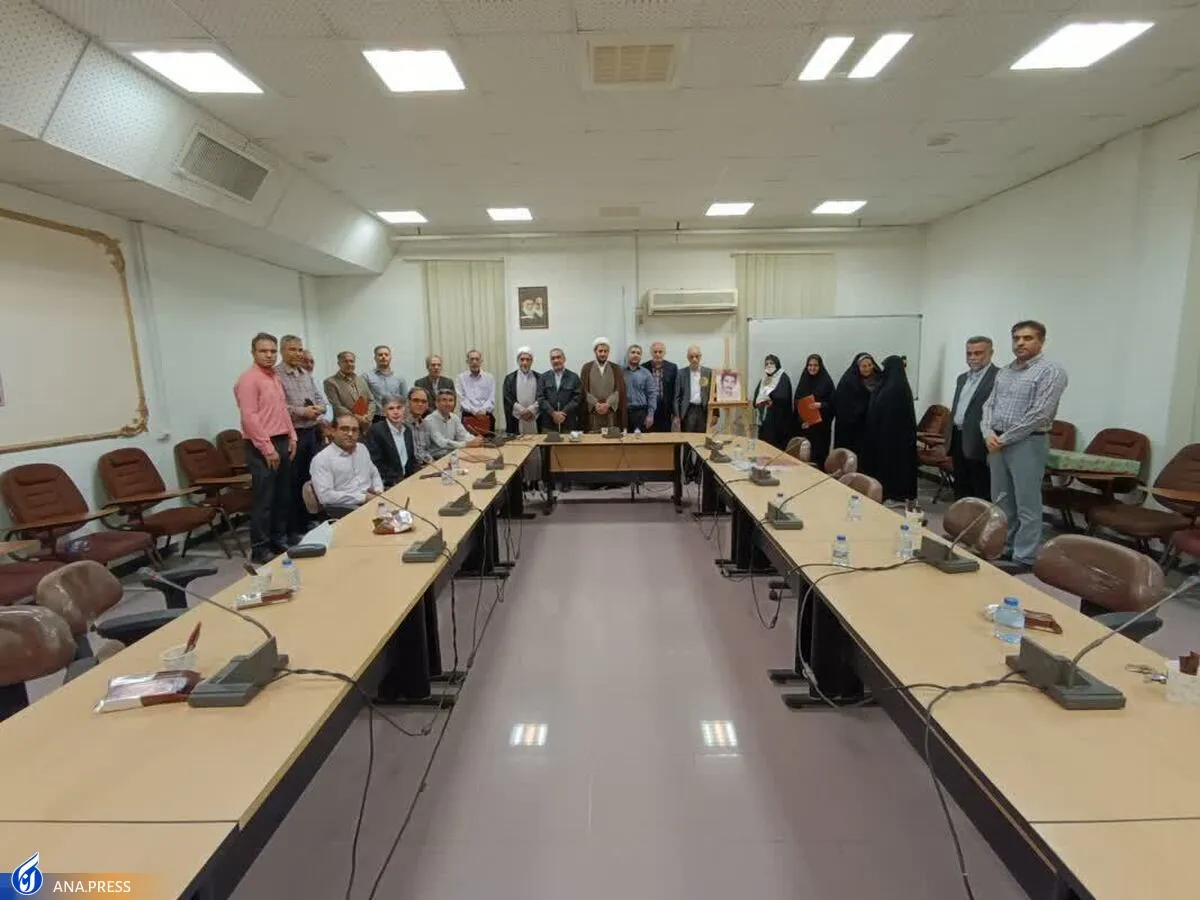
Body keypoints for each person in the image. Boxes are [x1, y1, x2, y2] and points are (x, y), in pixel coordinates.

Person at [982, 320, 1069, 572]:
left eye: (1027, 338)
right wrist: (988, 432)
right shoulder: (1005, 371)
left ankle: (1025, 556)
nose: (1020, 343)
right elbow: (989, 405)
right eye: (1016, 338)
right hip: (996, 441)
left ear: (1041, 341)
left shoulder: (1051, 371)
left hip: (1028, 442)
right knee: (1001, 501)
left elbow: (1041, 413)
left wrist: (1005, 438)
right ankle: (1005, 547)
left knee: (1026, 503)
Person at [233, 332, 296, 563]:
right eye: (263, 351)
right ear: (253, 353)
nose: (269, 355)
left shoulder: (274, 377)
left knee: (282, 496)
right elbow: (249, 418)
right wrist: (267, 448)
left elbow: (282, 410)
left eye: (272, 351)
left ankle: (279, 540)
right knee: (265, 500)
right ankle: (260, 548)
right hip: (261, 446)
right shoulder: (248, 380)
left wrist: (292, 436)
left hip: (282, 440)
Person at [276, 334, 326, 541]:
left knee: (310, 477)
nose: (297, 353)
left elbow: (319, 398)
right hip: (292, 435)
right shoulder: (276, 375)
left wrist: (319, 408)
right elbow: (279, 406)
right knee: (293, 482)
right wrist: (302, 411)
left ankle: (309, 519)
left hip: (311, 431)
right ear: (282, 351)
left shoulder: (305, 373)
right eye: (292, 349)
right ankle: (294, 527)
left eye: (299, 349)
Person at [945, 336, 998, 501]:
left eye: (978, 353)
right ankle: (962, 516)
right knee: (961, 485)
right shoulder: (962, 378)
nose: (972, 357)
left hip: (980, 438)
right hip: (958, 436)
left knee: (980, 487)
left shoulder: (999, 377)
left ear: (991, 353)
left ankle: (979, 518)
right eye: (969, 353)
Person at [861, 355, 918, 504]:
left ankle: (896, 494)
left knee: (894, 467)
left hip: (895, 438)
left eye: (886, 368)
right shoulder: (887, 385)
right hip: (885, 435)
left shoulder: (897, 388)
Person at [309, 414, 383, 519]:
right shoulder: (322, 459)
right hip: (348, 509)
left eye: (354, 430)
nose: (350, 434)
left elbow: (374, 473)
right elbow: (325, 496)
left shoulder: (362, 449)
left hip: (373, 501)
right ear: (333, 431)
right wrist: (363, 498)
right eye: (344, 429)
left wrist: (379, 490)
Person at [365, 395, 420, 488]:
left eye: (399, 407)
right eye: (391, 408)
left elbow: (411, 459)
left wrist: (418, 473)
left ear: (404, 409)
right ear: (384, 412)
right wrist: (396, 480)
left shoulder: (407, 430)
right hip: (388, 483)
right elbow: (376, 462)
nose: (395, 412)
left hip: (407, 480)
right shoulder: (376, 430)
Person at [793, 354, 836, 470]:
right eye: (810, 365)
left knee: (818, 458)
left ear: (820, 366)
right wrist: (802, 421)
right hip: (805, 427)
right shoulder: (804, 380)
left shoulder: (827, 382)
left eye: (815, 365)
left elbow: (833, 404)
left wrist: (821, 405)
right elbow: (797, 403)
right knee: (804, 457)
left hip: (821, 429)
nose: (812, 368)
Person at [833, 352, 878, 458]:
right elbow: (842, 407)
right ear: (858, 367)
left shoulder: (879, 379)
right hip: (852, 430)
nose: (867, 369)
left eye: (870, 365)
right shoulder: (848, 381)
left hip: (872, 427)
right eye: (864, 366)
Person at [579, 337, 627, 431]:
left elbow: (619, 389)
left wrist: (608, 404)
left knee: (611, 436)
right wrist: (596, 404)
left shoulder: (615, 368)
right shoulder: (587, 368)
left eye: (606, 351)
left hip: (610, 412)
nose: (603, 354)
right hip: (593, 412)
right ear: (595, 351)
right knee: (593, 437)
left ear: (608, 352)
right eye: (600, 351)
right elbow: (584, 390)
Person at [323, 351, 376, 432]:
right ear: (339, 363)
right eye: (345, 361)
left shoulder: (361, 380)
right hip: (346, 427)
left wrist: (368, 417)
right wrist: (357, 418)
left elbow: (371, 400)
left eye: (351, 361)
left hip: (366, 426)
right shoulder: (330, 382)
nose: (349, 364)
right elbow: (337, 406)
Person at [751, 354, 794, 449]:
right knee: (763, 448)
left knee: (775, 449)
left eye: (771, 363)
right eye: (766, 364)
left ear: (777, 365)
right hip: (765, 421)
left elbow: (783, 396)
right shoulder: (764, 380)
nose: (769, 365)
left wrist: (770, 398)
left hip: (778, 422)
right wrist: (761, 402)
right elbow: (756, 399)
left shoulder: (783, 378)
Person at [426, 388, 483, 458]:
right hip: (436, 458)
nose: (448, 404)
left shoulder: (454, 417)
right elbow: (442, 442)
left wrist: (476, 440)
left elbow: (463, 435)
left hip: (452, 455)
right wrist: (466, 444)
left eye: (451, 400)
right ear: (436, 403)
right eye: (444, 400)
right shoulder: (429, 420)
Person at [537, 348, 582, 432]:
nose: (556, 360)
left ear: (564, 359)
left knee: (568, 441)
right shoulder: (543, 377)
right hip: (548, 423)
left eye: (558, 357)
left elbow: (577, 398)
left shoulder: (574, 377)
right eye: (553, 358)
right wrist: (553, 413)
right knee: (548, 441)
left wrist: (563, 413)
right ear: (550, 361)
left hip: (568, 422)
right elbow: (540, 398)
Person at [457, 349, 496, 437]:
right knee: (469, 443)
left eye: (477, 359)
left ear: (481, 361)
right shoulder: (461, 378)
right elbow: (461, 399)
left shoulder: (489, 377)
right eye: (471, 359)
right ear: (467, 361)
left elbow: (491, 398)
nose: (474, 362)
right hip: (468, 415)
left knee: (489, 443)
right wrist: (475, 412)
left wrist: (483, 411)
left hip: (486, 414)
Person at [674, 345, 712, 433]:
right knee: (687, 437)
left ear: (700, 357)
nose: (694, 359)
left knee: (702, 437)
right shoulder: (681, 373)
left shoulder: (708, 372)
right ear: (688, 358)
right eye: (691, 357)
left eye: (696, 356)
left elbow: (713, 394)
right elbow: (676, 396)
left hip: (703, 410)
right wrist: (677, 415)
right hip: (687, 410)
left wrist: (716, 414)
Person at [503, 348, 542, 435]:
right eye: (522, 359)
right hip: (517, 417)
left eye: (528, 360)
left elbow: (542, 396)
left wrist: (531, 410)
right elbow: (507, 397)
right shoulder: (510, 378)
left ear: (532, 361)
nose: (525, 363)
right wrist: (522, 411)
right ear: (518, 361)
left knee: (535, 440)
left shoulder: (539, 377)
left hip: (534, 416)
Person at [364, 345, 406, 423]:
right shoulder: (366, 377)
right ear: (375, 358)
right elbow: (362, 399)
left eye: (386, 354)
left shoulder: (399, 378)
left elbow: (404, 400)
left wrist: (404, 419)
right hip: (375, 418)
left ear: (390, 357)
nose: (383, 357)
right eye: (380, 355)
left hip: (395, 417)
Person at [623, 344, 658, 433]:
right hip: (624, 413)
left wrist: (650, 415)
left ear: (640, 356)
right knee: (625, 439)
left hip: (640, 412)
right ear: (628, 354)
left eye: (638, 353)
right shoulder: (621, 372)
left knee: (640, 440)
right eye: (633, 352)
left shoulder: (646, 373)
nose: (635, 355)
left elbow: (652, 395)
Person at [645, 342, 678, 433]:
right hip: (649, 407)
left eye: (660, 352)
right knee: (649, 434)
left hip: (666, 408)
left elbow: (675, 390)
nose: (658, 354)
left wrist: (675, 413)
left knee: (665, 435)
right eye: (655, 352)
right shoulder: (644, 367)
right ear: (651, 353)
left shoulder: (672, 367)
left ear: (664, 353)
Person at [405, 386, 435, 465]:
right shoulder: (402, 424)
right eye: (416, 400)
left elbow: (426, 451)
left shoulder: (425, 424)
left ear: (427, 405)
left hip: (426, 465)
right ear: (408, 402)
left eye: (423, 401)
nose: (420, 404)